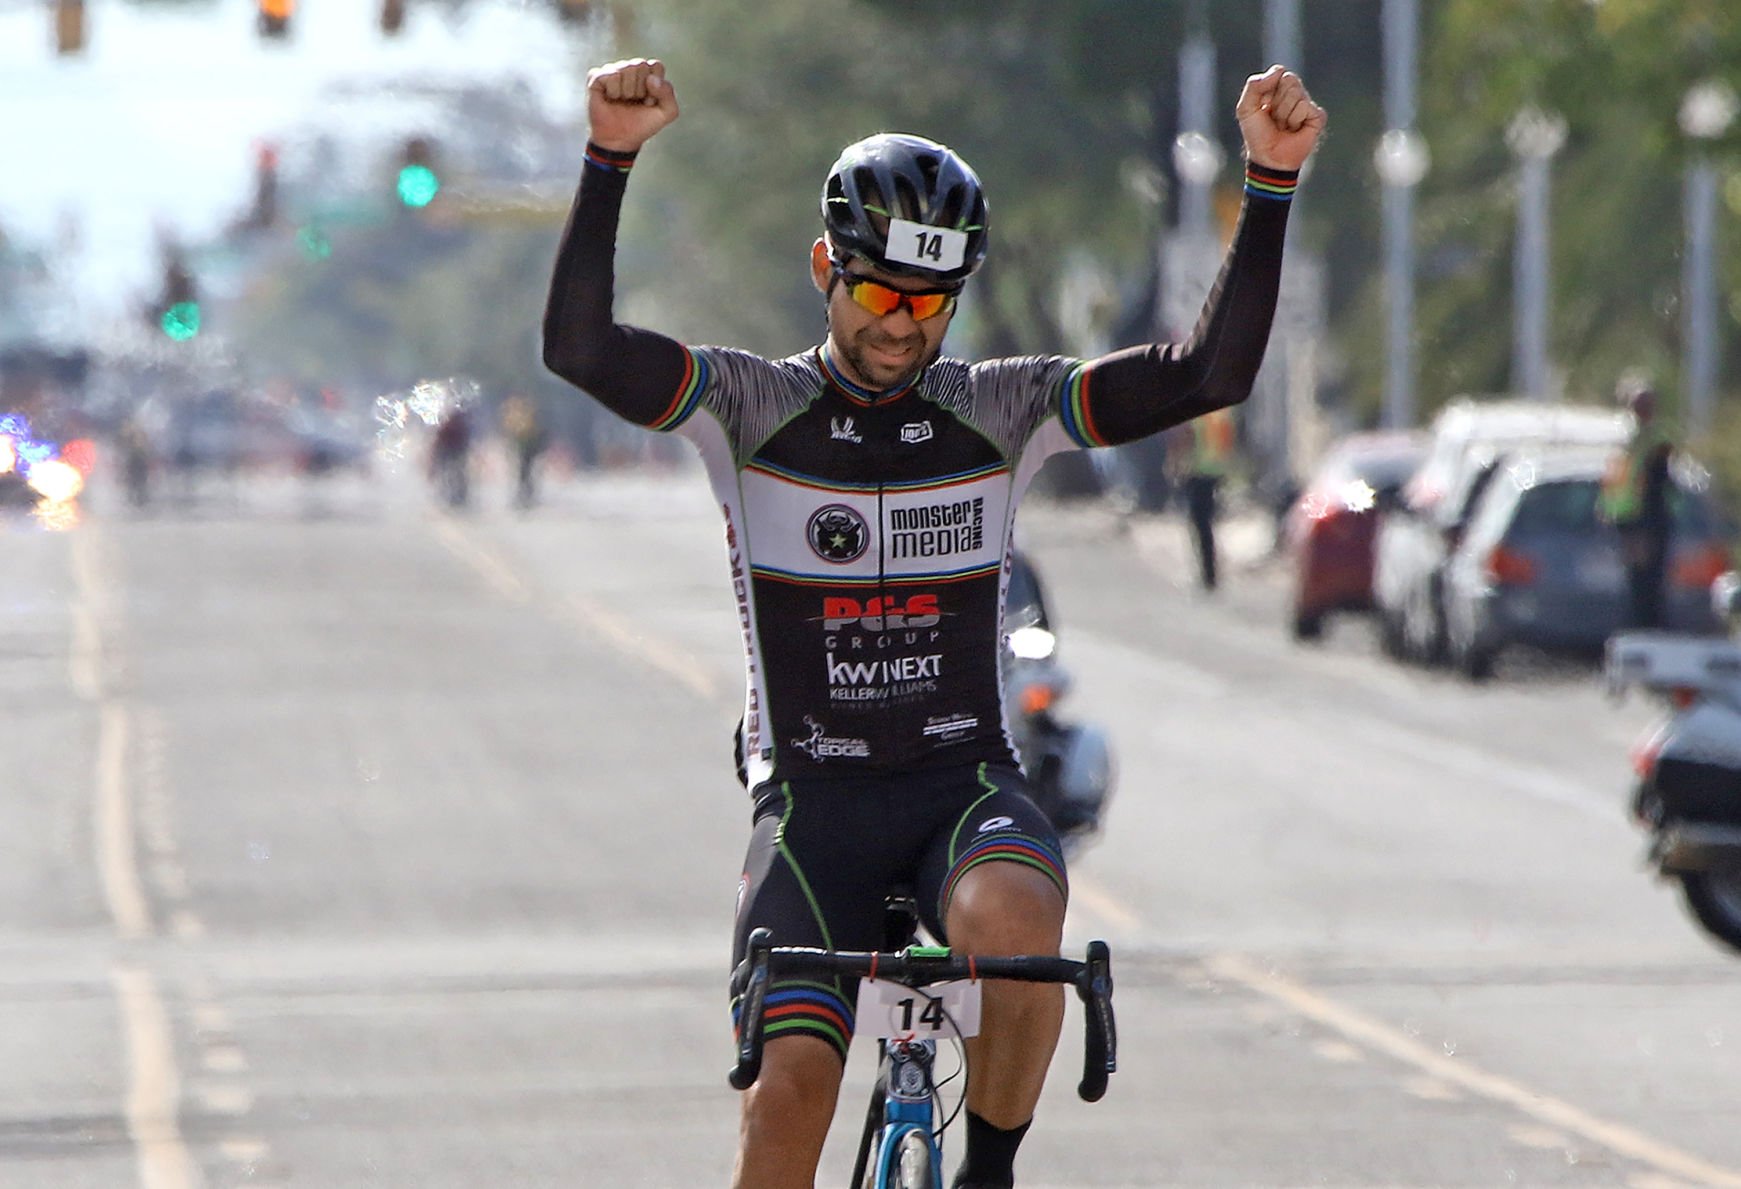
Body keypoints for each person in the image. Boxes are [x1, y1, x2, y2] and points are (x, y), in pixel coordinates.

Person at [543, 56, 1323, 1189]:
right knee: (783, 1112)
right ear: (825, 269)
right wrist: (607, 158)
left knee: (1018, 927)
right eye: (877, 294)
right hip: (814, 806)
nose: (904, 325)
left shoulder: (997, 409)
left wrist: (1270, 183)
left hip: (959, 784)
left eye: (930, 300)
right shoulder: (748, 406)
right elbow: (579, 351)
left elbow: (1206, 372)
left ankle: (986, 1172)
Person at [1600, 375, 1676, 630]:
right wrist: (1610, 510)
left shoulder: (1651, 437)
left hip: (1647, 516)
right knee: (1638, 578)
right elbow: (1618, 480)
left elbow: (1661, 479)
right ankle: (1641, 626)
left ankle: (1648, 626)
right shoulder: (1629, 438)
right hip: (1634, 517)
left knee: (1648, 579)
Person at [1172, 404, 1236, 590]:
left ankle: (1206, 574)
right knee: (1208, 524)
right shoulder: (1221, 414)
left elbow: (1184, 440)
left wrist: (1176, 466)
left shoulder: (1194, 415)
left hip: (1196, 473)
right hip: (1215, 472)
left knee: (1199, 525)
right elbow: (1228, 441)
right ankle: (1211, 573)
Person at [499, 393, 547, 509]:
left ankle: (525, 496)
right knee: (524, 474)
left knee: (525, 474)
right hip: (523, 448)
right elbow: (511, 432)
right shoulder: (523, 415)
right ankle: (524, 496)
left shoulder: (524, 416)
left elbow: (514, 432)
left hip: (526, 449)